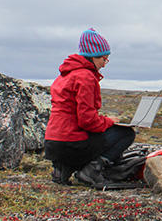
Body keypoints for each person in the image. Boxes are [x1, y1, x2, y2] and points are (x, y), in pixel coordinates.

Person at [44, 28, 135, 189]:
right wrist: (108, 122)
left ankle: (62, 169)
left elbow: (72, 115)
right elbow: (87, 121)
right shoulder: (85, 77)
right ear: (93, 56)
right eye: (104, 59)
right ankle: (91, 171)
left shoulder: (65, 75)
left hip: (53, 144)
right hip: (71, 144)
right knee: (125, 134)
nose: (104, 65)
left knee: (95, 134)